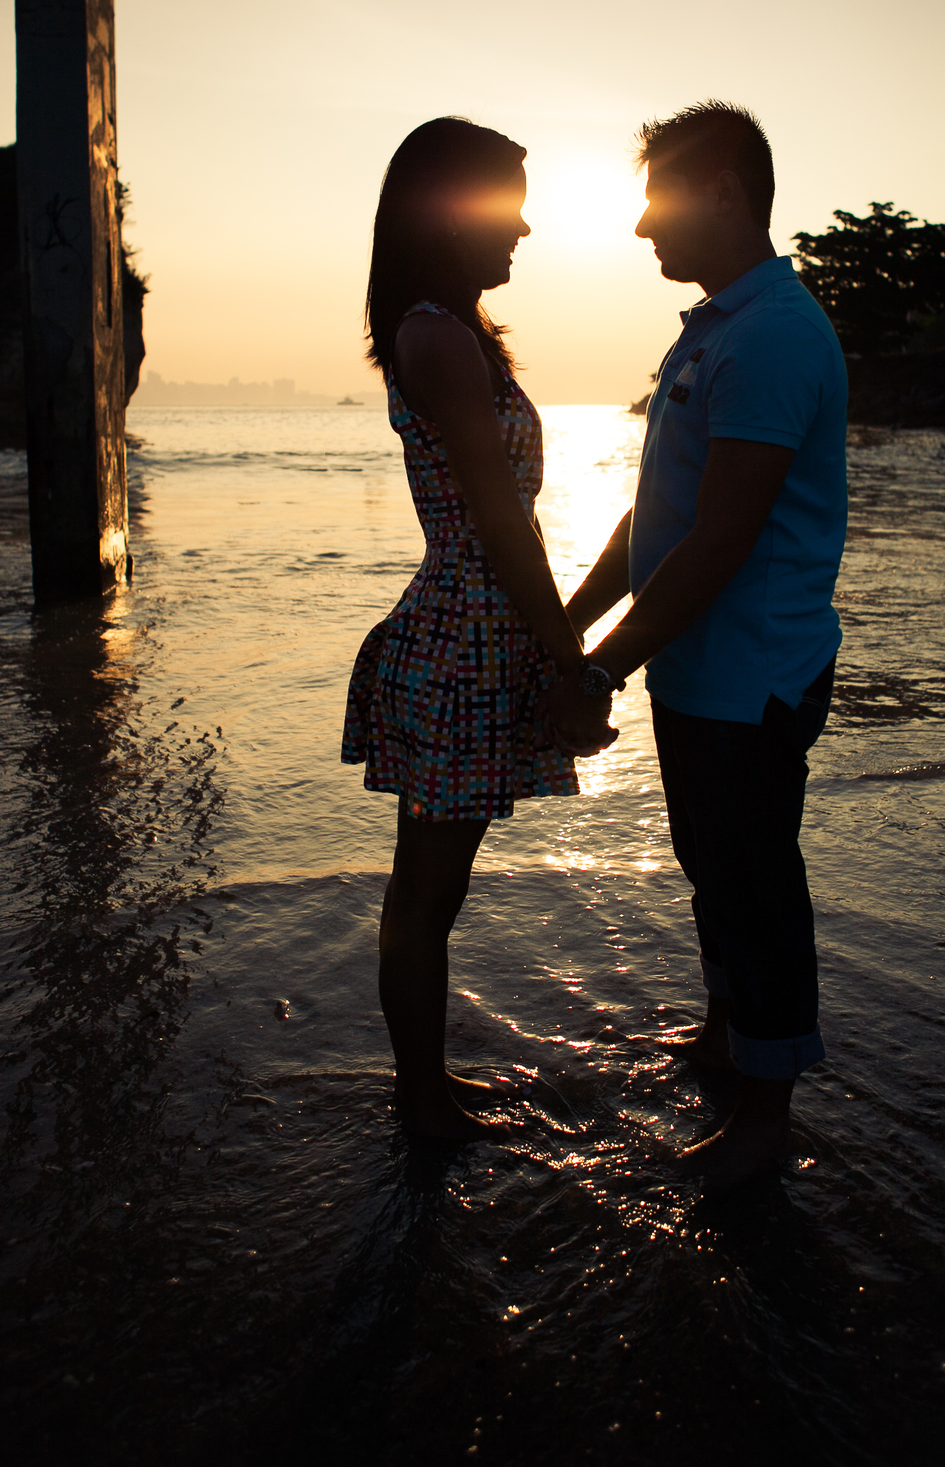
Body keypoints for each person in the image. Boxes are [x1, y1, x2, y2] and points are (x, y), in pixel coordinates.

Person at [549, 100, 848, 1190]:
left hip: (752, 668)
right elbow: (655, 517)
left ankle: (765, 1120)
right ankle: (732, 1034)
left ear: (724, 188)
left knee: (755, 880)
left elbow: (722, 541)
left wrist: (597, 668)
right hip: (700, 668)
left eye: (659, 199)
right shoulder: (718, 328)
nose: (640, 228)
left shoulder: (771, 334)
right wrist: (573, 623)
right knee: (715, 865)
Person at [342, 117, 614, 1141]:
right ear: (451, 212)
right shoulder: (437, 336)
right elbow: (500, 523)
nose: (526, 227)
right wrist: (569, 659)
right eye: (508, 202)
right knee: (426, 892)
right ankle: (420, 1102)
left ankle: (427, 1089)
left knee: (433, 887)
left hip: (468, 632)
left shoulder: (447, 333)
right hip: (462, 642)